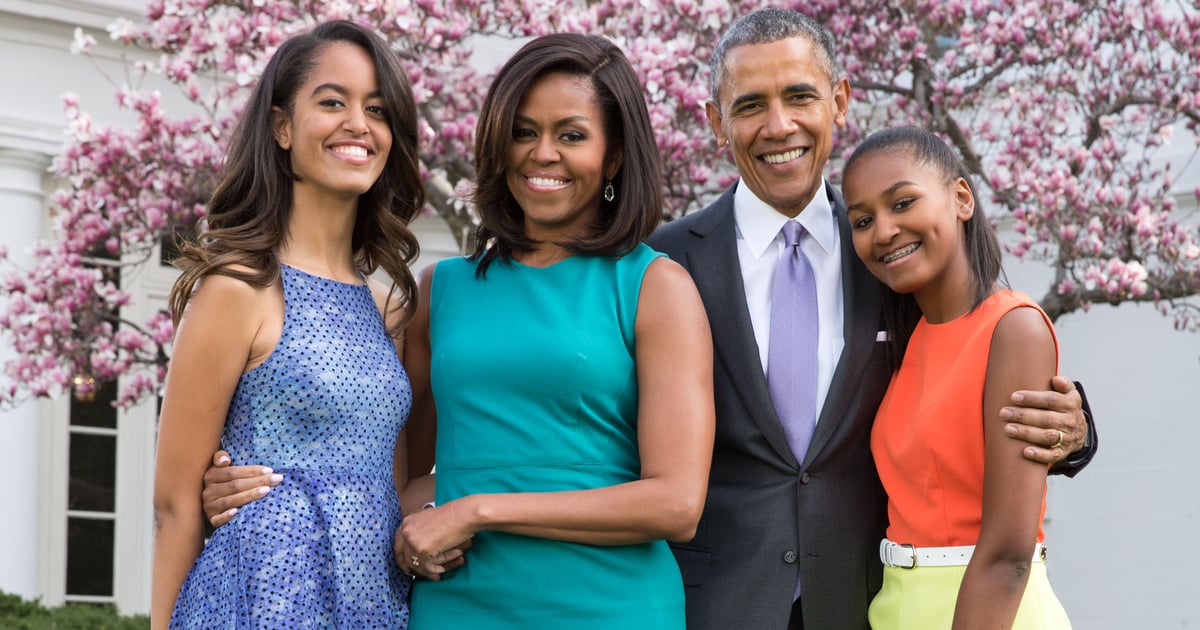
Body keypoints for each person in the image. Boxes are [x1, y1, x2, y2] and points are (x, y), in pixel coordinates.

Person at [199, 32, 714, 628]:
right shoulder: (440, 290)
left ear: (615, 157)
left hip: (610, 605)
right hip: (456, 603)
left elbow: (676, 504)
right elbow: (389, 472)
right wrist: (264, 488)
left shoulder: (655, 286)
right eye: (523, 132)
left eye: (571, 135)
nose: (541, 154)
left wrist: (477, 510)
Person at [643, 8, 1096, 630]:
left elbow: (973, 347)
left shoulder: (895, 256)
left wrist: (1072, 431)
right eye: (750, 106)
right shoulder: (665, 263)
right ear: (716, 122)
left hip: (866, 603)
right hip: (717, 604)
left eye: (800, 96)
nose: (780, 126)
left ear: (840, 101)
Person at [151, 20, 426, 629]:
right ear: (282, 126)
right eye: (333, 102)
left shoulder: (392, 312)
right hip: (254, 602)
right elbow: (173, 505)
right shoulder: (237, 288)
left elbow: (394, 486)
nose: (358, 123)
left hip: (372, 603)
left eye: (377, 109)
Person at [842, 126, 1071, 628]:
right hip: (898, 607)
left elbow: (1008, 554)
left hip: (989, 610)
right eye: (862, 220)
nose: (882, 232)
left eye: (902, 203)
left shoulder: (1014, 328)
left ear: (961, 198)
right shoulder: (906, 343)